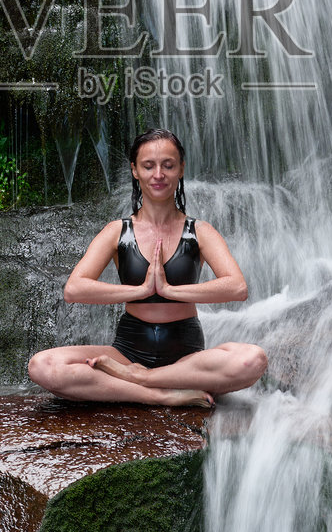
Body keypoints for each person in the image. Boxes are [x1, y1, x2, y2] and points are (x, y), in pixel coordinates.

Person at [27, 127, 268, 409]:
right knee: (42, 365)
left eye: (168, 165)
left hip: (187, 359)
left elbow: (237, 287)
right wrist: (141, 291)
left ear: (181, 169)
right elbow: (74, 289)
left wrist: (169, 291)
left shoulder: (200, 231)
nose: (158, 174)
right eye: (148, 166)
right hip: (127, 353)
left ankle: (142, 378)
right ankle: (159, 394)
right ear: (135, 170)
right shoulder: (116, 231)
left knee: (253, 360)